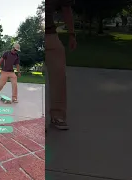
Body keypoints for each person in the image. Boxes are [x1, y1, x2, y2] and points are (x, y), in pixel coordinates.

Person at [45, 0, 77, 131]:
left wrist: (71, 35)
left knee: (59, 74)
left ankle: (57, 115)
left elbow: (66, 9)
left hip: (50, 34)